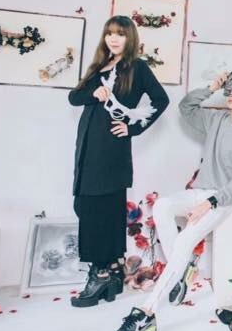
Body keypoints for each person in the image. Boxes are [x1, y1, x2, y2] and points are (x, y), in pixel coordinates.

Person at [107, 69, 232, 331]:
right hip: (200, 190)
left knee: (185, 240)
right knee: (163, 205)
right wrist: (211, 87)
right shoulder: (215, 119)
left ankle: (146, 313)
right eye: (229, 88)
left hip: (224, 199)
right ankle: (181, 270)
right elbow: (185, 107)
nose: (231, 94)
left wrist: (210, 203)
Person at [69, 16, 168, 308]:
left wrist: (132, 128)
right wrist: (94, 92)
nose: (113, 39)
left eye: (120, 34)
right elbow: (74, 98)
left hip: (110, 150)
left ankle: (100, 274)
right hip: (87, 149)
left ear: (130, 38)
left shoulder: (136, 68)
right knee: (88, 206)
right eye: (109, 33)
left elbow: (161, 100)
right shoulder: (99, 66)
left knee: (101, 209)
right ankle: (112, 273)